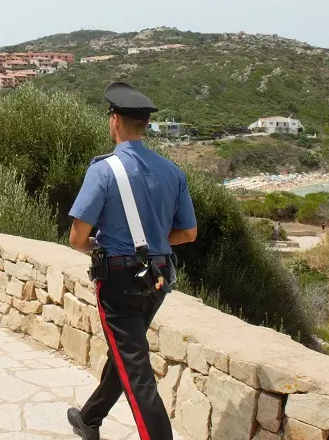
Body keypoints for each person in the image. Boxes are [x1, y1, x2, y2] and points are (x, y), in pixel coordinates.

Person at [65, 82, 198, 440]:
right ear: (144, 125)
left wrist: (105, 245)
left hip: (119, 282)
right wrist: (152, 243)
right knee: (128, 354)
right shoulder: (173, 172)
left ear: (114, 121)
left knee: (137, 372)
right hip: (158, 279)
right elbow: (188, 234)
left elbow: (78, 239)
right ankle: (89, 418)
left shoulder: (103, 170)